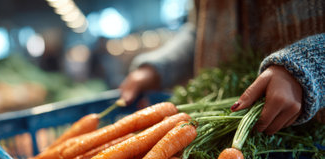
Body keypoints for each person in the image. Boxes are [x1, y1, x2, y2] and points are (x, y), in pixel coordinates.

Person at [120, 0, 324, 135]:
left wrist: (310, 65)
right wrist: (158, 68)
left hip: (309, 148)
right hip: (225, 134)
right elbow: (201, 29)